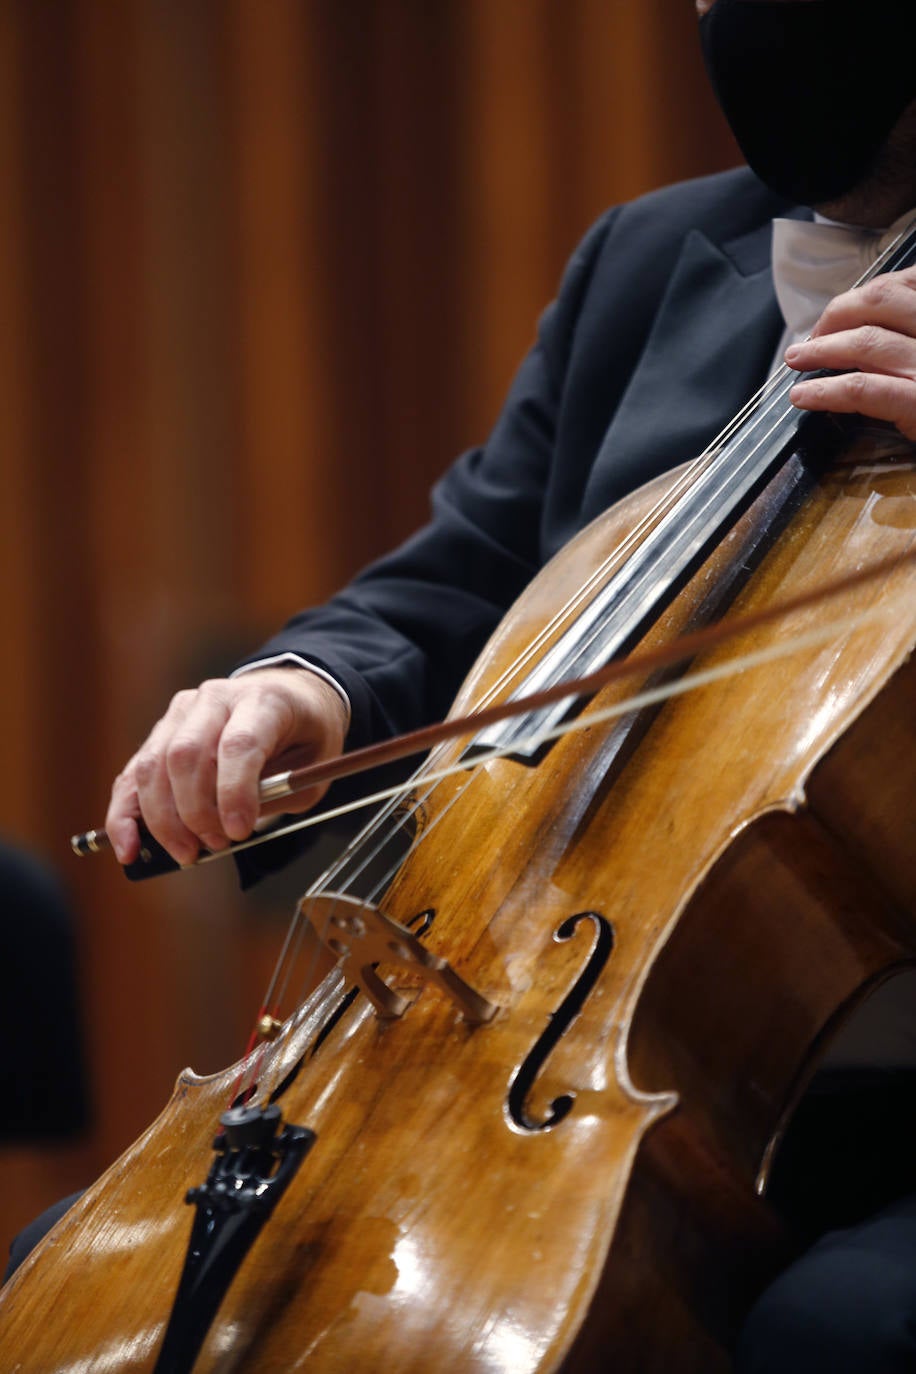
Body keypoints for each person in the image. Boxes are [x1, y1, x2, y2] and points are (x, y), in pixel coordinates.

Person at [13, 1, 916, 1368]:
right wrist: (304, 685)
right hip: (585, 1044)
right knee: (79, 1285)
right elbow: (464, 577)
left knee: (830, 1335)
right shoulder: (649, 253)